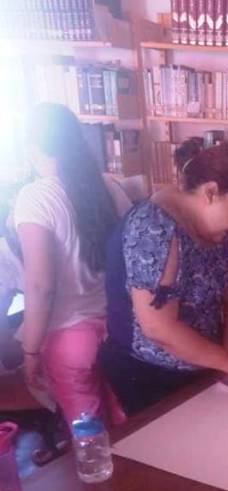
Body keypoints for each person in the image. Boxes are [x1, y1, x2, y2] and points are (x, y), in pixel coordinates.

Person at [100, 139, 228, 416]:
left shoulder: (221, 231)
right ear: (210, 192)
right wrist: (227, 360)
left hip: (204, 364)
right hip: (149, 376)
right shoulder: (154, 228)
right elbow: (158, 327)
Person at [13, 103, 130, 426]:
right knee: (129, 424)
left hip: (70, 339)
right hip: (118, 328)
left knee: (89, 433)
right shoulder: (109, 187)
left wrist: (30, 351)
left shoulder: (35, 198)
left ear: (32, 146)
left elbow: (40, 287)